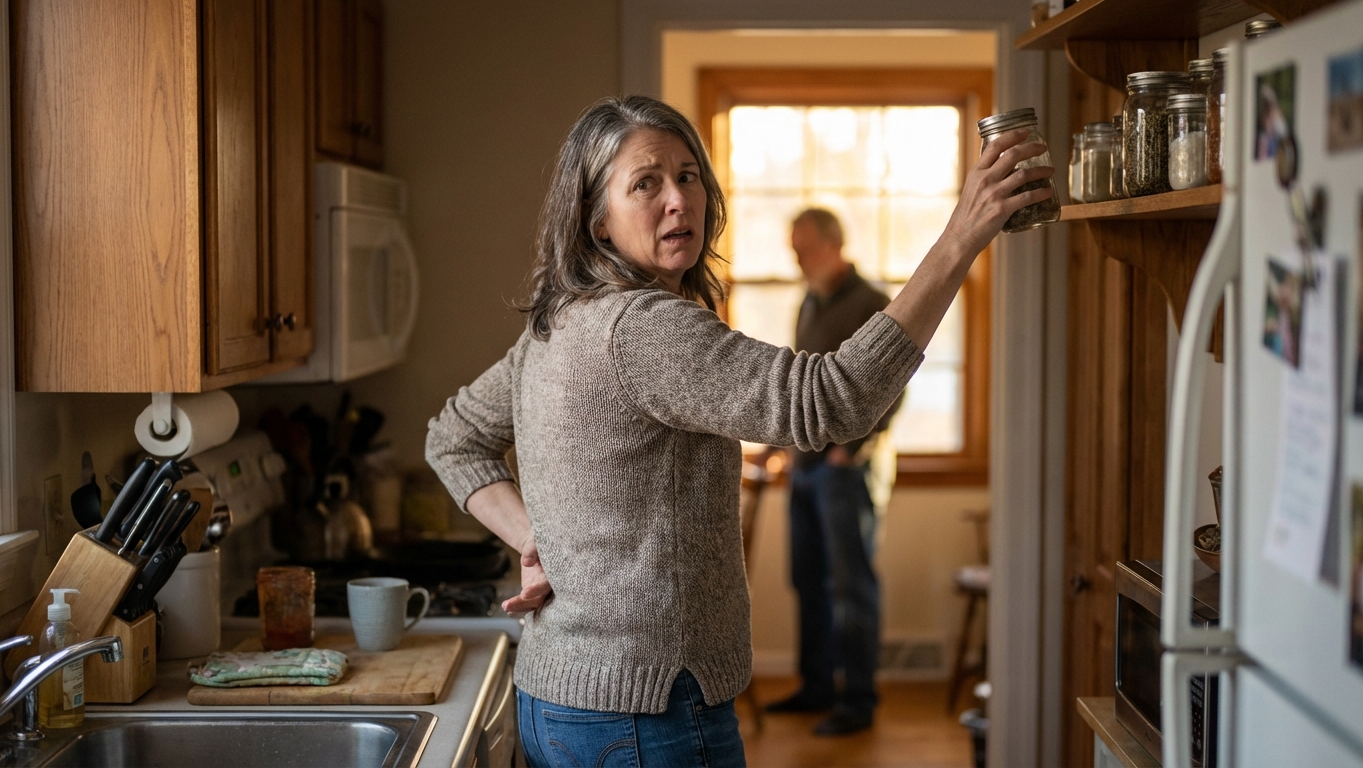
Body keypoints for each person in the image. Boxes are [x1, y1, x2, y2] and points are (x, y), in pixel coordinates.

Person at [426, 95, 1052, 767]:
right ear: (597, 221)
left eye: (688, 175)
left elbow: (450, 437)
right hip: (649, 713)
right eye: (646, 183)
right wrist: (961, 237)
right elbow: (828, 400)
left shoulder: (560, 320)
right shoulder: (644, 328)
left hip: (556, 703)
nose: (678, 200)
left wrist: (533, 539)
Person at [764, 207, 896, 736]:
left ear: (833, 244)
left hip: (844, 471)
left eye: (803, 248)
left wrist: (852, 448)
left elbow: (894, 385)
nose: (795, 258)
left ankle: (858, 699)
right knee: (807, 580)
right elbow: (802, 381)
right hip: (805, 466)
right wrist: (783, 448)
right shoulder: (811, 299)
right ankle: (816, 686)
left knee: (851, 586)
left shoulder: (873, 303)